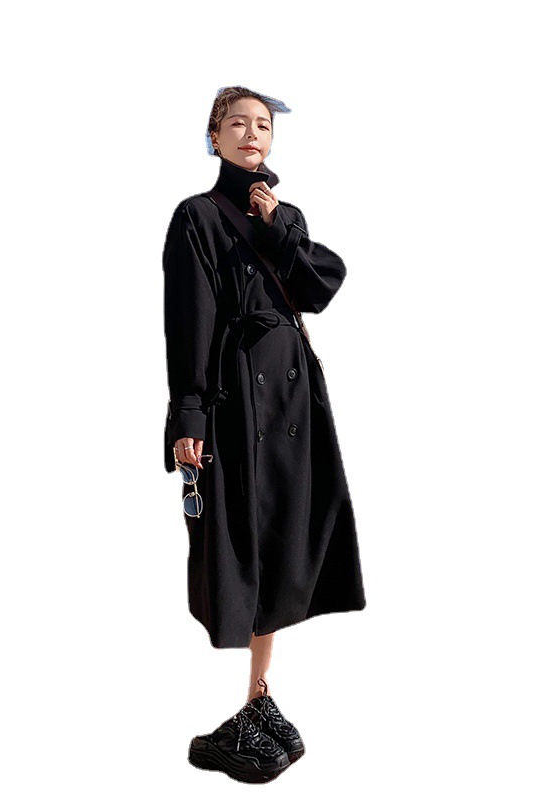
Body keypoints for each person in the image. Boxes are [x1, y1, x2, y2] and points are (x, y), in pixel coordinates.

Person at [162, 86, 366, 782]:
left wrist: (279, 226)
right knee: (241, 540)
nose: (253, 134)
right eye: (237, 123)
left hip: (295, 400)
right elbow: (188, 319)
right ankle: (251, 709)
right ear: (213, 137)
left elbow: (319, 289)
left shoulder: (286, 215)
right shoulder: (197, 216)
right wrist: (189, 414)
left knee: (286, 541)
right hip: (236, 399)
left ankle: (259, 700)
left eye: (263, 125)